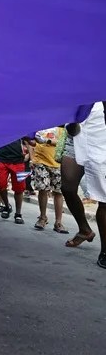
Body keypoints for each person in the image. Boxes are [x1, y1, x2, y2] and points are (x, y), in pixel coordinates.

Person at [62, 102, 106, 269]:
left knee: (104, 200)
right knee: (67, 188)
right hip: (76, 141)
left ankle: (105, 251)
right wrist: (73, 121)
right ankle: (84, 230)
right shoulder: (80, 93)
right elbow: (72, 129)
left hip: (102, 144)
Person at [30, 127, 67, 233]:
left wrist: (46, 140)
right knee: (43, 189)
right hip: (40, 161)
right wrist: (32, 157)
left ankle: (58, 222)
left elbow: (62, 143)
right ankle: (42, 218)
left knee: (58, 192)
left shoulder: (61, 127)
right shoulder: (39, 126)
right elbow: (31, 142)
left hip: (57, 163)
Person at [0, 138, 28, 224]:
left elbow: (30, 141)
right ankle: (6, 206)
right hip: (1, 159)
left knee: (19, 188)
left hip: (18, 160)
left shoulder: (22, 126)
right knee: (0, 184)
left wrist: (31, 157)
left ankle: (18, 213)